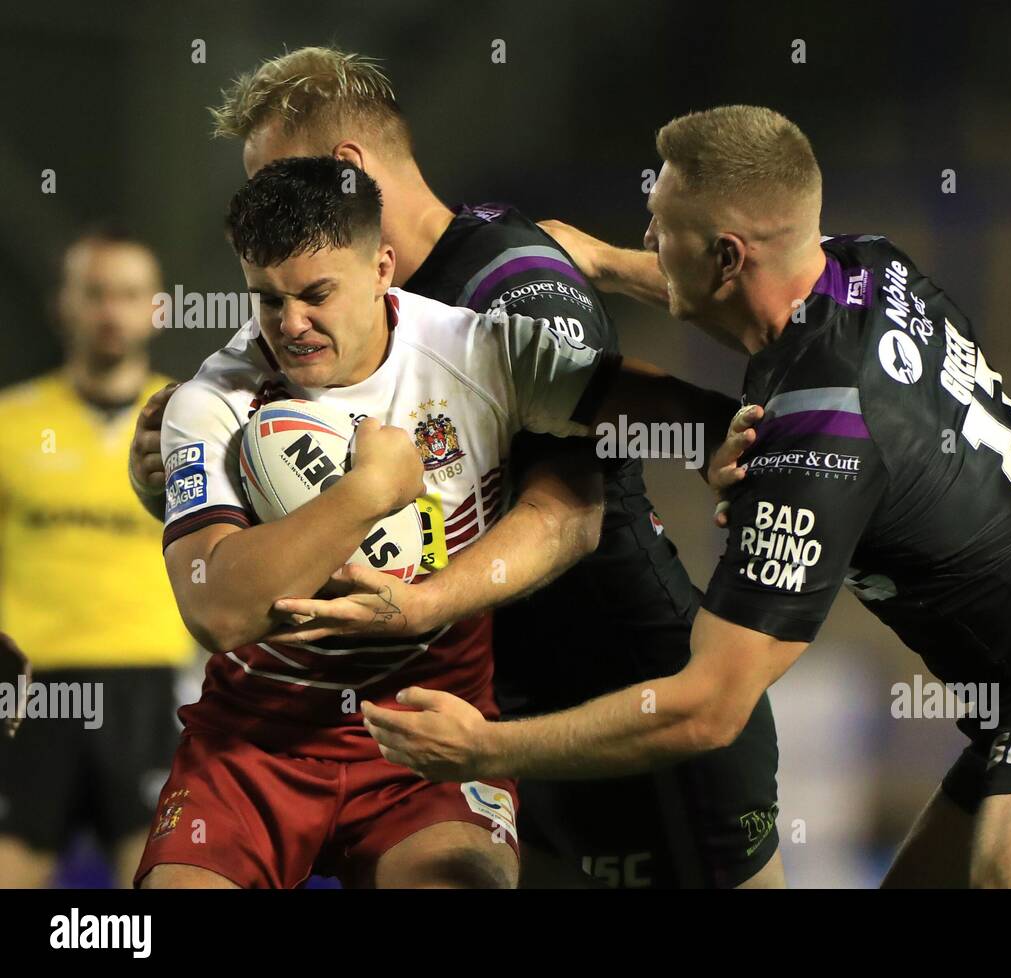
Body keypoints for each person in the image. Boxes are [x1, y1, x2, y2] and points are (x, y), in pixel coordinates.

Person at [360, 105, 1011, 888]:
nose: (648, 242)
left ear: (726, 255)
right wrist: (607, 262)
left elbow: (706, 709)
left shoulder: (816, 439)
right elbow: (878, 389)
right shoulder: (867, 267)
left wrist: (484, 749)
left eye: (658, 232)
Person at [128, 47, 783, 889]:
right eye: (268, 292)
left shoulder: (502, 296)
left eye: (279, 182)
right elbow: (221, 590)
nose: (270, 210)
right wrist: (190, 478)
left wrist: (732, 438)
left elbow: (574, 512)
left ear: (353, 196)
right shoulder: (246, 375)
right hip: (473, 707)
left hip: (616, 678)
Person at [0, 229, 194, 888]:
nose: (112, 311)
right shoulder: (8, 422)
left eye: (130, 294)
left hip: (151, 686)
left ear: (159, 308)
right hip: (30, 690)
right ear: (63, 305)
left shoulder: (196, 420)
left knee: (161, 879)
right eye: (95, 293)